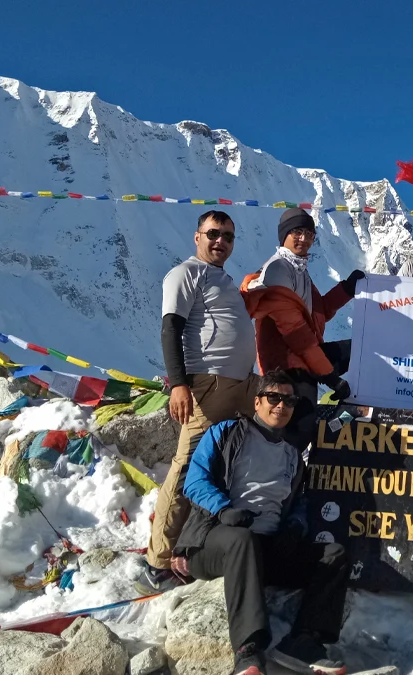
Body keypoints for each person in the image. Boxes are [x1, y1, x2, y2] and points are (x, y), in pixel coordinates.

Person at [171, 370, 349, 675]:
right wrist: (223, 509)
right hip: (215, 541)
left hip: (265, 550)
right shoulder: (225, 433)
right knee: (243, 540)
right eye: (274, 397)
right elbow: (193, 480)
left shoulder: (293, 455)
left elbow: (298, 502)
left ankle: (303, 641)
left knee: (333, 555)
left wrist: (294, 526)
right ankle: (248, 651)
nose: (281, 405)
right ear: (257, 401)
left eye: (289, 400)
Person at [139, 210, 260, 594]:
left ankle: (204, 544)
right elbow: (170, 328)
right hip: (208, 384)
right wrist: (178, 384)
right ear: (197, 237)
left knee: (234, 463)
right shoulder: (185, 273)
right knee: (190, 464)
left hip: (242, 384)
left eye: (227, 236)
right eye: (213, 233)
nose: (220, 241)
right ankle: (157, 562)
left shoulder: (221, 278)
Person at [241, 208, 363, 446]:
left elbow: (320, 312)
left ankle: (353, 410)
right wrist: (331, 378)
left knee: (360, 351)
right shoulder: (278, 269)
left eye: (309, 234)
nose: (304, 239)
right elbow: (297, 334)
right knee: (298, 434)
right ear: (284, 235)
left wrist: (347, 288)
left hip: (307, 357)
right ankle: (285, 476)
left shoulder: (300, 271)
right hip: (286, 367)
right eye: (297, 232)